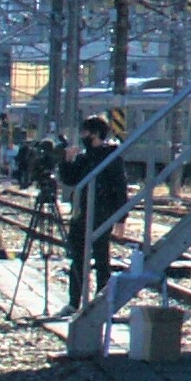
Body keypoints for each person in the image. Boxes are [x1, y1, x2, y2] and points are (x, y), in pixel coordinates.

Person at [70, 113, 130, 320]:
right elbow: (70, 178)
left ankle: (102, 301)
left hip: (102, 213)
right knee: (77, 258)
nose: (83, 136)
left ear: (95, 133)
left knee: (101, 258)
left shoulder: (111, 157)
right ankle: (73, 302)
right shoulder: (84, 157)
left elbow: (121, 189)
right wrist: (66, 162)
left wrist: (121, 219)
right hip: (81, 213)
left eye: (86, 132)